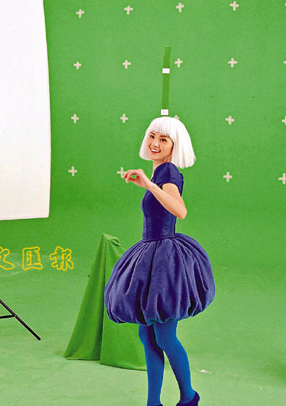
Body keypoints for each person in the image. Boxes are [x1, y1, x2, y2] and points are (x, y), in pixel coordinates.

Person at [104, 116, 215, 406]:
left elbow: (180, 210)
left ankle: (189, 397)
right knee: (147, 335)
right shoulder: (158, 171)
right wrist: (148, 182)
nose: (155, 143)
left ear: (175, 146)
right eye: (152, 136)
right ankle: (154, 402)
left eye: (163, 139)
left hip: (165, 262)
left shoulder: (168, 171)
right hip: (150, 254)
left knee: (164, 336)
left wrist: (149, 185)